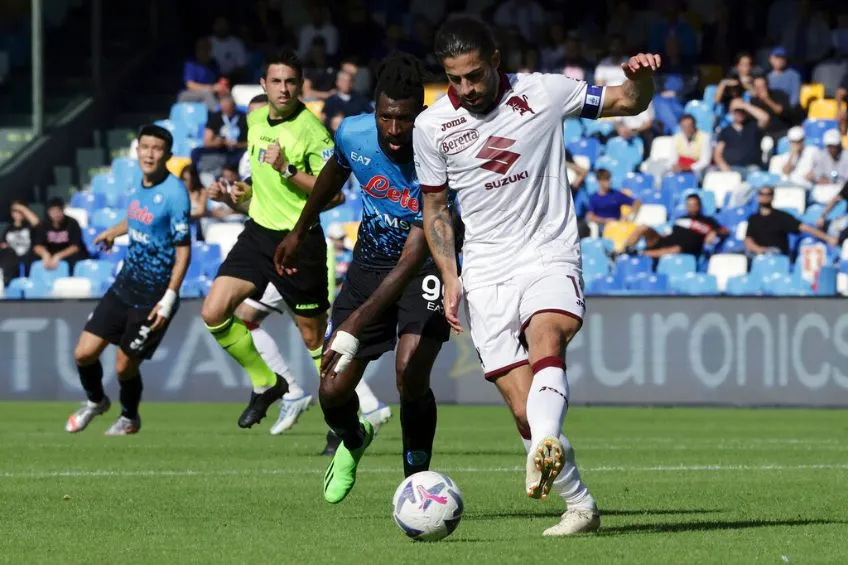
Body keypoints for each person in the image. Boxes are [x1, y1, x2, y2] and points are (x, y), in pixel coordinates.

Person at [414, 15, 661, 536]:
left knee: (546, 335)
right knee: (526, 413)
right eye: (455, 79)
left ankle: (548, 446)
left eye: (474, 75)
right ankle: (580, 505)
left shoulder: (545, 92)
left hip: (548, 251)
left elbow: (628, 102)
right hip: (485, 270)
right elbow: (435, 207)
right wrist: (450, 274)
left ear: (496, 60)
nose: (466, 88)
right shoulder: (431, 125)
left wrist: (640, 78)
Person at [275, 53, 452, 504]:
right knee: (332, 388)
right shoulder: (353, 132)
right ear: (374, 110)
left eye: (405, 119)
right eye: (385, 118)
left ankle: (416, 484)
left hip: (426, 267)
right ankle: (354, 437)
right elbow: (336, 169)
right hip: (368, 268)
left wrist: (356, 323)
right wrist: (299, 229)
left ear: (421, 114)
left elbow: (414, 255)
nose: (394, 131)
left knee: (410, 372)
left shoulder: (437, 149)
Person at [200, 49, 341, 430]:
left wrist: (288, 169)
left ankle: (347, 419)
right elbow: (257, 187)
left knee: (314, 340)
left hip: (299, 241)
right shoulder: (256, 120)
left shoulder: (314, 132)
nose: (283, 89)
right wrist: (231, 194)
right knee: (213, 313)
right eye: (276, 81)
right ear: (263, 85)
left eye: (290, 82)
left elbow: (335, 194)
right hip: (259, 234)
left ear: (300, 86)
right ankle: (267, 383)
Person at [65, 125, 191, 435]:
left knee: (124, 365)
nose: (149, 153)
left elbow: (184, 250)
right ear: (137, 151)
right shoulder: (138, 184)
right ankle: (96, 401)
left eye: (157, 149)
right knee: (83, 353)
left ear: (167, 155)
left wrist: (169, 298)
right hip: (124, 285)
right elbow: (138, 218)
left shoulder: (175, 194)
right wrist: (113, 231)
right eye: (145, 147)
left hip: (154, 296)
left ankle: (129, 417)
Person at [622, 193, 727, 258]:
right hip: (665, 241)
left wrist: (714, 232)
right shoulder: (680, 219)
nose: (692, 208)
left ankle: (640, 253)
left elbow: (725, 231)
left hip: (684, 250)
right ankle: (623, 251)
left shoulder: (708, 221)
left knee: (676, 249)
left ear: (699, 205)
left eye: (694, 205)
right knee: (643, 227)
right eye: (689, 205)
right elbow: (670, 232)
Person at [745, 187, 835, 256]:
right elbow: (748, 239)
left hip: (777, 254)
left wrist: (828, 238)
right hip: (757, 255)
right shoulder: (753, 218)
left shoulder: (781, 216)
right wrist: (759, 250)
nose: (764, 196)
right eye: (761, 194)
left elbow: (804, 227)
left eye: (768, 194)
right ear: (758, 196)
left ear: (772, 197)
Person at [32, 197, 88, 272]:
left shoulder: (72, 223)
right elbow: (37, 246)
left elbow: (75, 247)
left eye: (58, 211)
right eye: (53, 211)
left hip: (68, 256)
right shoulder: (43, 225)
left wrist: (58, 256)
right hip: (51, 255)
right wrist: (45, 255)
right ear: (48, 212)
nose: (56, 214)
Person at [0, 200, 40, 284]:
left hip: (27, 262)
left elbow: (36, 222)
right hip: (10, 264)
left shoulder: (29, 226)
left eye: (20, 211)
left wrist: (21, 208)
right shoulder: (8, 229)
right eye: (15, 211)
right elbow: (3, 244)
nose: (17, 213)